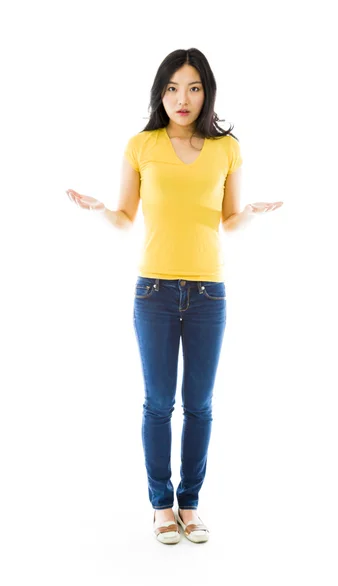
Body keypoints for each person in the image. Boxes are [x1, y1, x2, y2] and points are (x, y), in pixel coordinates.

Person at [66, 47, 283, 545]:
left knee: (200, 404)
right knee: (158, 404)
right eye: (172, 88)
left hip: (209, 293)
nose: (181, 98)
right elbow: (124, 219)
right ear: (160, 93)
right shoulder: (142, 145)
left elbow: (229, 221)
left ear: (206, 93)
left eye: (193, 88)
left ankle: (191, 504)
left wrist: (251, 213)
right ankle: (161, 506)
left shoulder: (227, 148)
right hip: (154, 292)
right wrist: (101, 209)